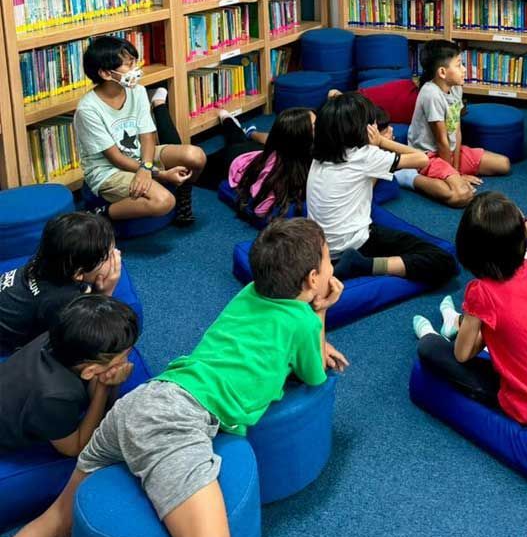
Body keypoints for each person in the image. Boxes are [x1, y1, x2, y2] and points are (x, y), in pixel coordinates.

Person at [0, 218, 347, 537]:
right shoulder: (303, 321)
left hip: (142, 401)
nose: (332, 266)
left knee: (55, 522)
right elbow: (314, 376)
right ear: (313, 279)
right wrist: (319, 312)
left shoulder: (251, 291)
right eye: (328, 258)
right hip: (176, 421)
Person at [412, 192, 527, 424]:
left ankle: (440, 328)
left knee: (429, 347)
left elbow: (462, 354)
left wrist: (488, 333)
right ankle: (455, 322)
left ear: (469, 250)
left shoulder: (481, 291)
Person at [307, 92, 457, 284]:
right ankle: (363, 265)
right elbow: (422, 159)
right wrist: (381, 142)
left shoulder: (319, 156)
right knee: (443, 260)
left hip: (323, 247)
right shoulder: (364, 156)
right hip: (354, 245)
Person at [73, 37, 207, 226]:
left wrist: (146, 166)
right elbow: (115, 158)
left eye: (134, 62)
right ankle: (100, 214)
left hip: (139, 157)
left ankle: (183, 194)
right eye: (128, 66)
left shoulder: (137, 91)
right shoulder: (88, 109)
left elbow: (147, 135)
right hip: (108, 171)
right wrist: (155, 173)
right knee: (163, 201)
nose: (135, 70)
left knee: (196, 156)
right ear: (105, 73)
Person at [0, 294, 138, 457]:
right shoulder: (56, 397)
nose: (127, 359)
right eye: (125, 355)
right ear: (90, 371)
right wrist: (104, 387)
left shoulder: (59, 337)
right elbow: (75, 448)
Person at [0, 212, 121, 351]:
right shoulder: (60, 299)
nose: (117, 255)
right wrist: (105, 294)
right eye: (108, 256)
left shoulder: (45, 261)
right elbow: (86, 331)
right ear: (79, 273)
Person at [407, 41, 511, 191]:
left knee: (504, 164)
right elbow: (441, 140)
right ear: (442, 72)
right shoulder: (431, 94)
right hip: (428, 155)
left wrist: (456, 170)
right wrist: (455, 175)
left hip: (448, 153)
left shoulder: (456, 87)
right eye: (458, 65)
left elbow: (456, 131)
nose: (464, 70)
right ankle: (411, 175)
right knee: (460, 191)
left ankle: (448, 175)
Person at [370, 103, 474, 209]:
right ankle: (407, 177)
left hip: (407, 160)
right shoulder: (372, 157)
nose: (391, 129)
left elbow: (422, 158)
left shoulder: (390, 151)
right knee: (461, 195)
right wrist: (380, 141)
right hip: (400, 167)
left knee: (465, 194)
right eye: (386, 130)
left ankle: (408, 176)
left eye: (389, 126)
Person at [222, 107, 313, 219]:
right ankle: (226, 119)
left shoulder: (295, 149)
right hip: (239, 159)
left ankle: (251, 132)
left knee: (252, 139)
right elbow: (259, 209)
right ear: (301, 138)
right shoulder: (276, 172)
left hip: (262, 152)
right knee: (235, 138)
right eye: (314, 126)